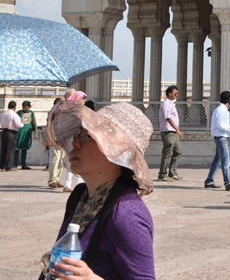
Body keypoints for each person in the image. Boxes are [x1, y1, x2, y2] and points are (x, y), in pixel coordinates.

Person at [40, 99, 155, 280]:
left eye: (87, 136)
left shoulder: (127, 214)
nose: (75, 143)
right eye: (78, 134)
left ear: (115, 150)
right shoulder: (83, 199)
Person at [205, 91, 230, 191]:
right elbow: (220, 126)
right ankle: (228, 182)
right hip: (221, 137)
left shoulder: (221, 109)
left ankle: (209, 180)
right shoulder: (221, 110)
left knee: (218, 159)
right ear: (229, 100)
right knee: (225, 160)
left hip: (221, 136)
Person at [61, 93, 89, 192]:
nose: (84, 101)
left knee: (78, 160)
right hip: (72, 138)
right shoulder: (71, 110)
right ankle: (68, 184)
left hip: (77, 138)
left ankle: (78, 184)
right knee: (72, 161)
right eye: (83, 99)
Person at [158, 85, 184, 182]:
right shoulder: (166, 104)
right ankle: (162, 174)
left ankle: (172, 172)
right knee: (167, 152)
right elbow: (168, 118)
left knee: (178, 151)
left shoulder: (171, 104)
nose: (176, 95)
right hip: (168, 131)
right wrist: (177, 129)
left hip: (173, 132)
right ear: (169, 93)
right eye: (175, 93)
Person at [14, 101, 38, 169]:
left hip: (28, 132)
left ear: (29, 106)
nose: (24, 108)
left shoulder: (31, 113)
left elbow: (34, 123)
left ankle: (23, 164)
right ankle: (15, 164)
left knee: (24, 148)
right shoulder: (19, 113)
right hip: (20, 132)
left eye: (26, 107)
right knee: (17, 148)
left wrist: (36, 133)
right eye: (23, 107)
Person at [1, 100, 23, 171]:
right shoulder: (14, 114)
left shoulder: (3, 114)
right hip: (11, 133)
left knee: (3, 149)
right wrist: (22, 123)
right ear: (15, 107)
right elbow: (18, 124)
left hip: (4, 132)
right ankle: (9, 166)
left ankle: (3, 166)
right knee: (10, 150)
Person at [47, 97, 64, 186]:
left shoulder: (63, 114)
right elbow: (48, 127)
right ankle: (52, 180)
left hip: (62, 139)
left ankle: (57, 179)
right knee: (55, 159)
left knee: (61, 160)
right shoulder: (52, 114)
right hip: (54, 139)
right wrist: (49, 138)